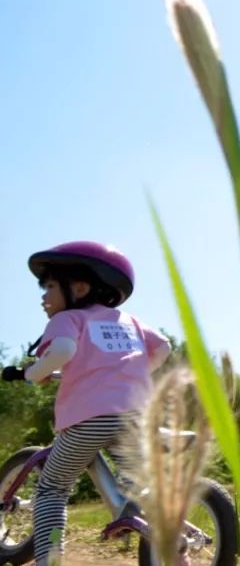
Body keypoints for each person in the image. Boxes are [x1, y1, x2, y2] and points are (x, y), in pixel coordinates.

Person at [2, 241, 171, 565]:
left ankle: (49, 554)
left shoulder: (70, 319)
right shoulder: (130, 321)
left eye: (50, 286)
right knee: (135, 473)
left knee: (52, 487)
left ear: (79, 287)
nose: (43, 296)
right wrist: (126, 372)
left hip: (88, 420)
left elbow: (62, 351)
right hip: (136, 414)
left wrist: (33, 374)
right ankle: (138, 510)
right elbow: (163, 348)